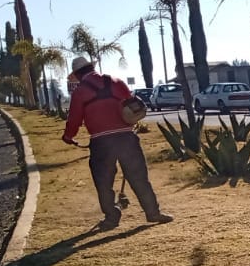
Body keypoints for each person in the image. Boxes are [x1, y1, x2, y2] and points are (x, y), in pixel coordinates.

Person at [62, 57, 172, 230]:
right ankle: (153, 213)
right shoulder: (116, 82)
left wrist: (68, 136)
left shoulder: (80, 91)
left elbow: (74, 118)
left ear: (77, 74)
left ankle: (112, 217)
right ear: (93, 67)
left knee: (104, 181)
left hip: (101, 141)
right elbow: (132, 107)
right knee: (139, 177)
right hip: (127, 137)